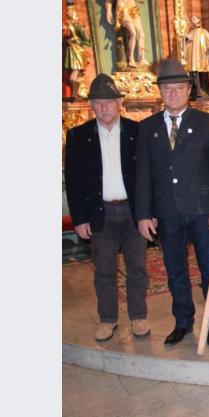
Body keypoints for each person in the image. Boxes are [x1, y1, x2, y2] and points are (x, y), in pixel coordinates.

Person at [135, 59, 209, 346]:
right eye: (167, 88)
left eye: (178, 87)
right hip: (167, 213)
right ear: (160, 92)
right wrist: (144, 213)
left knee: (208, 269)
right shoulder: (147, 128)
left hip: (203, 212)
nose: (173, 93)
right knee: (175, 270)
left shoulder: (207, 123)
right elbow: (143, 175)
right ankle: (183, 322)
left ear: (189, 89)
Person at [65, 74, 149, 342]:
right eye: (98, 102)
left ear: (119, 103)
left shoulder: (138, 132)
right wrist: (79, 218)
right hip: (99, 213)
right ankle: (107, 319)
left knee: (137, 267)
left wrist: (149, 212)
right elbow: (73, 181)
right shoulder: (78, 136)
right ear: (91, 105)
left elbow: (149, 176)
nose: (104, 107)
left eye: (109, 101)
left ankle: (139, 317)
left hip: (133, 212)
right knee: (103, 270)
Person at [63, 4, 92, 100]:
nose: (70, 13)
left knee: (79, 72)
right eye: (68, 12)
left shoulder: (76, 25)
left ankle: (76, 93)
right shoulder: (67, 25)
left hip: (78, 50)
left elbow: (86, 40)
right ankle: (73, 93)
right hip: (73, 50)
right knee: (75, 70)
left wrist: (81, 35)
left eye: (71, 12)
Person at [105, 0, 146, 67]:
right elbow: (110, 2)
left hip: (133, 9)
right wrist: (109, 12)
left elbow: (142, 1)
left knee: (141, 34)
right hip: (124, 11)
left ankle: (142, 58)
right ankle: (131, 59)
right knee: (133, 33)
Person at [184, 15, 209, 99]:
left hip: (202, 59)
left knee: (202, 76)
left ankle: (204, 93)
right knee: (193, 77)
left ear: (198, 20)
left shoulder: (204, 32)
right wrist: (186, 40)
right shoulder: (191, 33)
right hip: (192, 60)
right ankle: (194, 95)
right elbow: (185, 47)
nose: (193, 20)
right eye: (192, 19)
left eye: (194, 18)